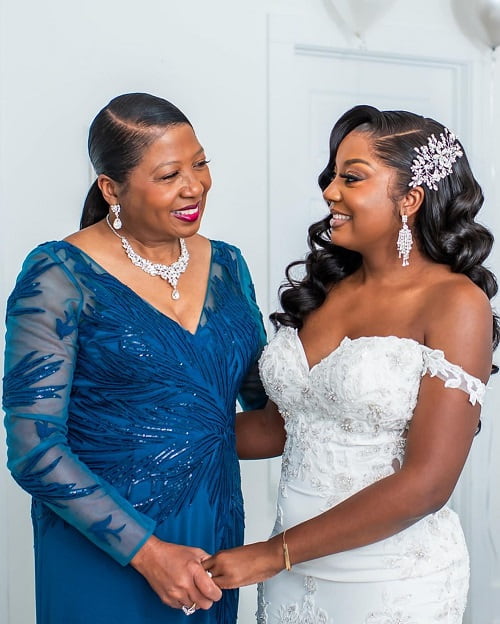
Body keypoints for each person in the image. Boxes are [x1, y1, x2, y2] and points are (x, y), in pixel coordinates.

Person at [201, 104, 499, 623]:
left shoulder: (456, 303)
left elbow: (428, 482)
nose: (330, 192)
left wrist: (272, 554)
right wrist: (158, 433)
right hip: (292, 576)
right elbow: (278, 429)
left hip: (388, 580)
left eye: (352, 177)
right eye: (333, 174)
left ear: (409, 199)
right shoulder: (328, 289)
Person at [2, 92, 267, 624]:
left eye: (200, 164)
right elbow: (33, 446)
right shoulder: (59, 274)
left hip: (212, 536)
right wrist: (148, 554)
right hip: (104, 546)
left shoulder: (228, 266)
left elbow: (269, 405)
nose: (195, 186)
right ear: (111, 188)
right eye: (170, 174)